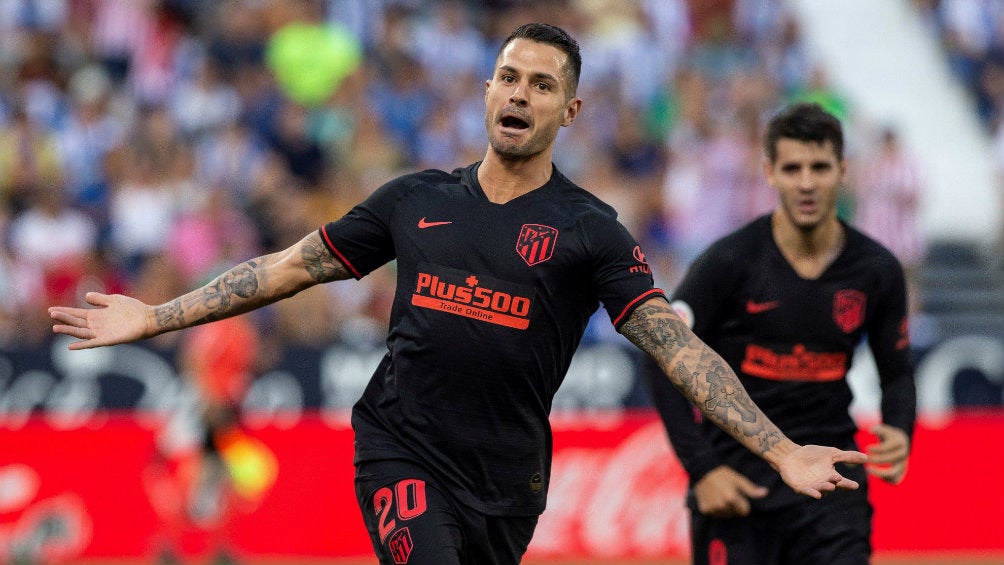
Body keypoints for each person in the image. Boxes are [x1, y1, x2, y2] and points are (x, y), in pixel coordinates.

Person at [50, 24, 868, 565]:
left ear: (570, 109)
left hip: (509, 482)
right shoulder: (416, 200)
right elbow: (291, 266)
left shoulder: (591, 231)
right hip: (400, 447)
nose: (519, 94)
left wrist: (780, 449)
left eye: (541, 85)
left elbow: (677, 346)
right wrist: (157, 314)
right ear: (485, 90)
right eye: (508, 77)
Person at [644, 102, 916, 565]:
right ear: (769, 172)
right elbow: (660, 357)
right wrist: (703, 470)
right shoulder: (728, 262)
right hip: (739, 485)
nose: (806, 182)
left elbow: (897, 373)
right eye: (792, 168)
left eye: (820, 167)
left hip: (831, 484)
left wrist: (901, 427)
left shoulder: (877, 269)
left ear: (843, 170)